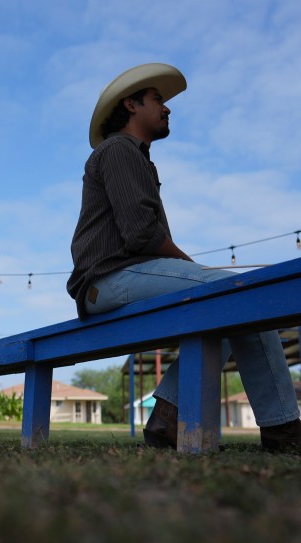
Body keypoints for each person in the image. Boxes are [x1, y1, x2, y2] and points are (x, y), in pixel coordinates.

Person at [67, 63, 301, 451]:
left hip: (119, 278)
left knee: (231, 302)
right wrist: (193, 267)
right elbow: (142, 233)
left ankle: (169, 419)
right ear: (131, 104)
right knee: (237, 294)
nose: (167, 107)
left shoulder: (137, 159)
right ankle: (282, 428)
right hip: (108, 280)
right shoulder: (119, 150)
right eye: (157, 99)